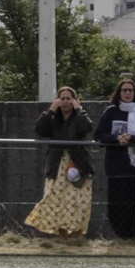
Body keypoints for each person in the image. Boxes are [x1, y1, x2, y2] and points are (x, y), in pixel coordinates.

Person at [25, 86, 96, 243]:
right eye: (62, 99)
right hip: (57, 164)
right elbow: (39, 130)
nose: (65, 102)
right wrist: (51, 110)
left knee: (80, 200)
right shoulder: (53, 118)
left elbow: (87, 128)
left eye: (68, 99)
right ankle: (61, 234)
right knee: (55, 198)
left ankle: (77, 234)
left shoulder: (79, 117)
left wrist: (79, 111)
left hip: (78, 164)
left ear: (74, 101)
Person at [95, 77, 135, 240]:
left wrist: (132, 139)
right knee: (118, 204)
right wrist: (116, 139)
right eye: (124, 90)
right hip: (118, 167)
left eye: (131, 90)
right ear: (119, 93)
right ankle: (122, 237)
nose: (128, 93)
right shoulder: (111, 112)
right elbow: (99, 135)